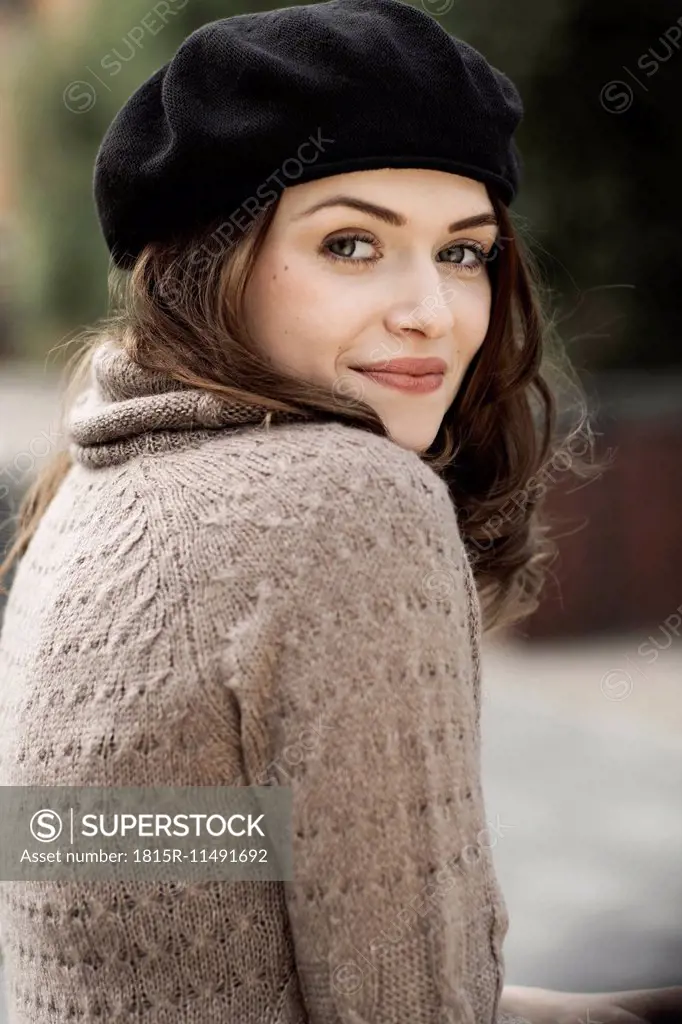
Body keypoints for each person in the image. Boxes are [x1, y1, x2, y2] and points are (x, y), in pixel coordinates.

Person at [0, 1, 680, 1022]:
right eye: (352, 244)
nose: (429, 309)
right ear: (203, 263)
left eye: (463, 252)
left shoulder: (94, 487)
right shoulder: (345, 503)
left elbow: (172, 898)